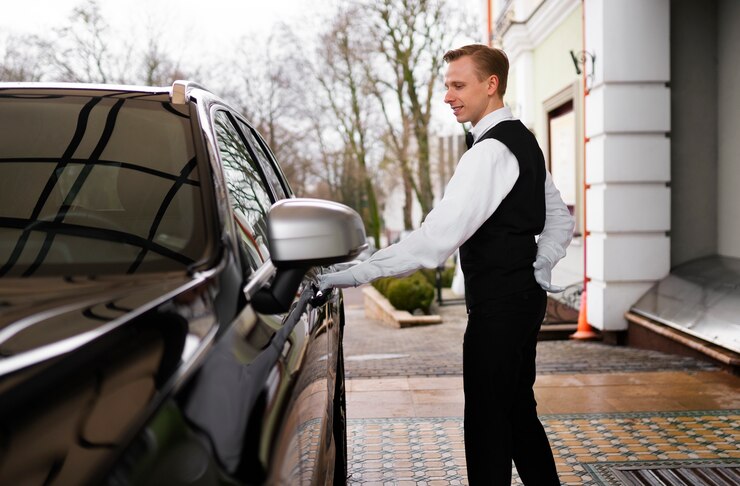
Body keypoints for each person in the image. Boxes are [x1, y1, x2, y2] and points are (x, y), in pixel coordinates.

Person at [319, 44, 574, 485]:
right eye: (446, 86)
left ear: (490, 85)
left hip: (498, 309)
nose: (448, 96)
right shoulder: (524, 140)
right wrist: (542, 265)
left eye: (458, 85)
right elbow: (560, 220)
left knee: (488, 424)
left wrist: (356, 273)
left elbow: (434, 242)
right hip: (522, 303)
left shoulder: (489, 153)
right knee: (517, 413)